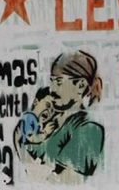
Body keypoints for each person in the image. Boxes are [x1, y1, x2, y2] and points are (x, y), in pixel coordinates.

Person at [14, 50, 105, 180]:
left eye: (58, 82)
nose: (52, 88)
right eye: (51, 81)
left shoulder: (89, 129)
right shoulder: (50, 120)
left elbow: (64, 182)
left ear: (80, 85)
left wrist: (22, 148)